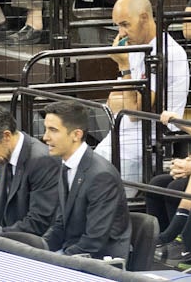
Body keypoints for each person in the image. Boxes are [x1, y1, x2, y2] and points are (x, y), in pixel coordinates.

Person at [42, 98, 132, 262]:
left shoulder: (101, 176)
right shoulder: (65, 165)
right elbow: (60, 224)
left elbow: (94, 241)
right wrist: (37, 250)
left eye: (53, 130)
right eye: (46, 129)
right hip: (73, 251)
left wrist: (55, 261)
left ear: (76, 134)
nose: (45, 137)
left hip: (100, 260)